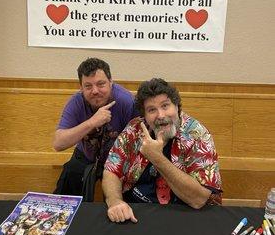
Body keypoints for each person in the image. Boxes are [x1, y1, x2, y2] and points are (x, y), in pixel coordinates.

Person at [102, 78, 222, 223]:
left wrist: (156, 158)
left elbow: (198, 199)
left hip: (186, 217)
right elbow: (111, 170)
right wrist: (115, 201)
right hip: (137, 213)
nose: (160, 115)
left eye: (165, 106)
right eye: (152, 110)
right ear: (144, 116)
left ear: (177, 106)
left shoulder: (197, 135)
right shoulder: (135, 129)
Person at [53, 58, 137, 198]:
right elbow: (58, 144)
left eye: (101, 84)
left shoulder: (126, 101)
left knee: (123, 198)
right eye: (88, 86)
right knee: (68, 180)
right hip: (85, 155)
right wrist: (91, 122)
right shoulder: (76, 102)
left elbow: (139, 140)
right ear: (81, 88)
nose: (95, 91)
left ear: (111, 82)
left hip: (118, 159)